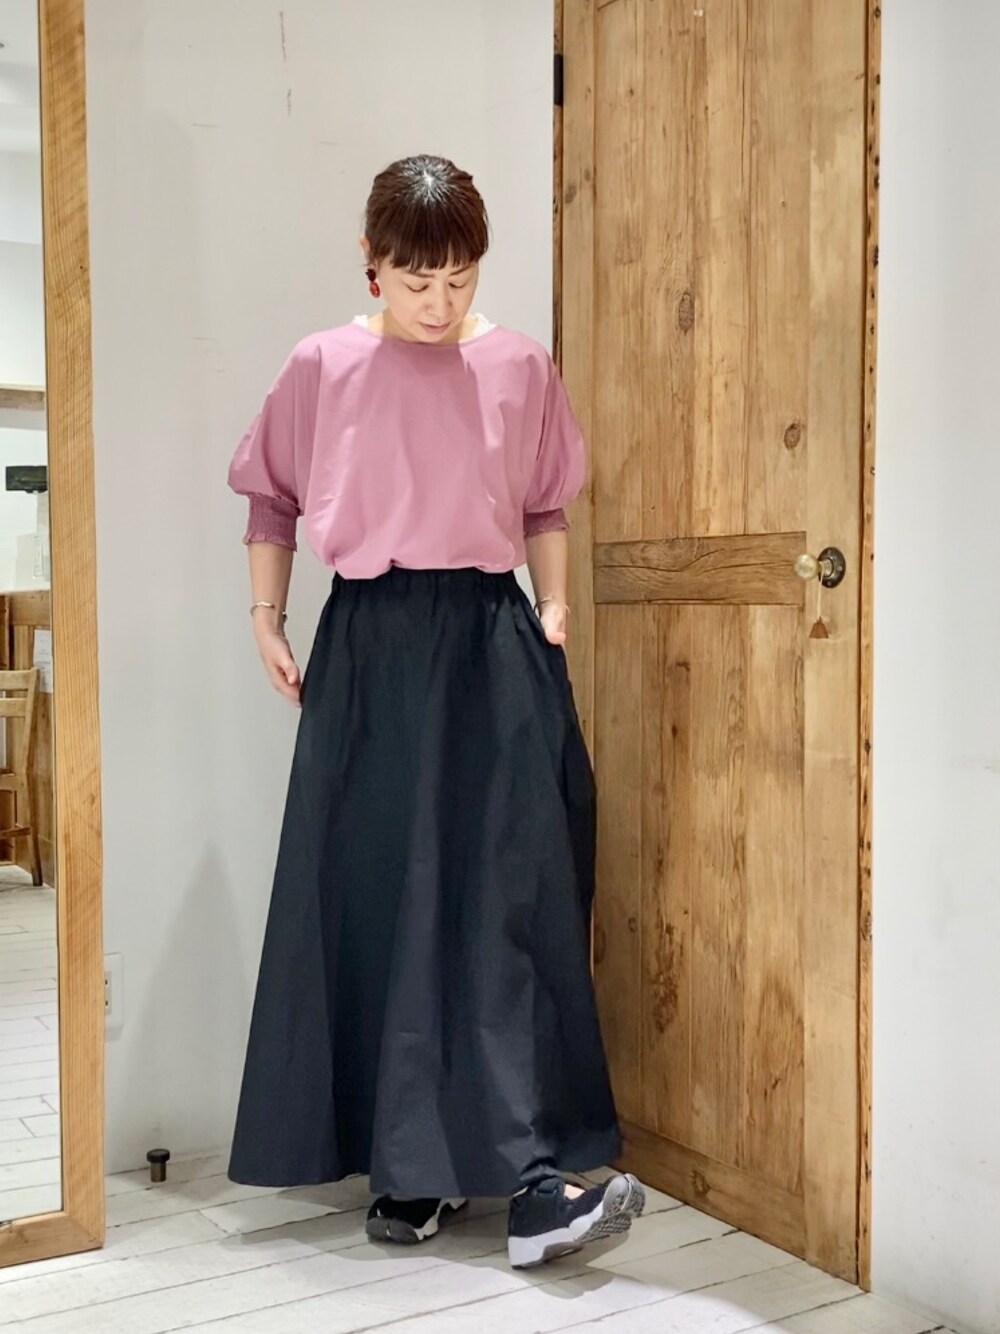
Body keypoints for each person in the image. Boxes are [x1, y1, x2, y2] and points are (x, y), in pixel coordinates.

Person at [226, 154, 645, 1270]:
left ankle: (534, 1176)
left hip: (490, 637)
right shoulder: (322, 365)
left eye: (460, 278)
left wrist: (554, 603)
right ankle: (408, 1169)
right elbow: (271, 498)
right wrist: (266, 618)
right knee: (382, 896)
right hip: (369, 644)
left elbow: (545, 504)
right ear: (371, 263)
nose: (440, 301)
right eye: (418, 280)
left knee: (510, 893)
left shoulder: (519, 364)